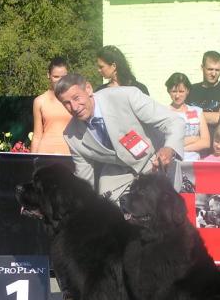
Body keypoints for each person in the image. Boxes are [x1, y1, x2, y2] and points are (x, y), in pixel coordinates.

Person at [55, 73, 185, 203]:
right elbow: (84, 180)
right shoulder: (71, 135)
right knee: (109, 214)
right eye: (66, 103)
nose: (74, 107)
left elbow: (174, 122)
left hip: (157, 161)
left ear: (88, 89)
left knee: (165, 214)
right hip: (118, 176)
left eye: (76, 98)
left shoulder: (127, 96)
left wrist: (169, 149)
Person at [165, 72, 210, 161]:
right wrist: (194, 139)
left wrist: (180, 148)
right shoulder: (164, 112)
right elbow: (164, 143)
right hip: (173, 163)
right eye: (174, 91)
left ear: (187, 91)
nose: (177, 95)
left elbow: (206, 142)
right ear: (169, 91)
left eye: (181, 91)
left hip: (194, 163)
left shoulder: (197, 111)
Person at [31, 57, 71, 154]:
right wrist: (31, 161)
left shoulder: (74, 99)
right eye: (56, 76)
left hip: (71, 154)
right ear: (48, 75)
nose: (60, 80)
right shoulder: (39, 101)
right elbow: (37, 136)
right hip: (45, 154)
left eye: (63, 77)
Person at [188, 50, 220, 129]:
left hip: (218, 140)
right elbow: (178, 114)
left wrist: (192, 115)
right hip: (194, 139)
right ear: (202, 67)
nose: (213, 74)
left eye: (217, 70)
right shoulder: (190, 90)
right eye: (210, 69)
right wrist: (213, 116)